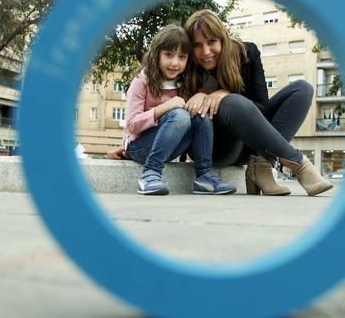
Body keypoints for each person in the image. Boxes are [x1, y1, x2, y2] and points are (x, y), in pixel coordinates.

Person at [182, 10, 333, 196]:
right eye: (197, 45)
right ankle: (299, 165)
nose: (205, 52)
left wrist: (225, 92)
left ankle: (260, 165)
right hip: (216, 149)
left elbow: (263, 107)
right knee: (233, 103)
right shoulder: (185, 66)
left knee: (302, 89)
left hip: (251, 145)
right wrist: (204, 94)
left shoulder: (247, 53)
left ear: (222, 38)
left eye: (211, 42)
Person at [123, 24, 236, 196]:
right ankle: (149, 174)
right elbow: (132, 125)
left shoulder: (185, 83)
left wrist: (214, 93)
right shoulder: (141, 81)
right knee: (180, 115)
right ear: (157, 54)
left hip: (170, 146)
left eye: (182, 57)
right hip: (139, 147)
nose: (175, 63)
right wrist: (165, 107)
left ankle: (204, 176)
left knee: (199, 112)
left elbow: (212, 85)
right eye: (168, 55)